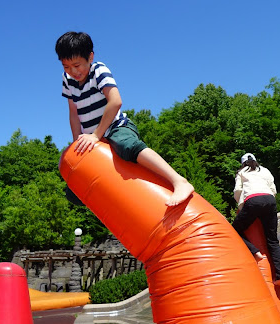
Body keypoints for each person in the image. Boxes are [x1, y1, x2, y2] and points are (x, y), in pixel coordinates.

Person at [55, 31, 194, 207]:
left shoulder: (99, 71)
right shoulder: (67, 80)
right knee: (73, 189)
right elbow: (73, 112)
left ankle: (178, 181)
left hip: (115, 127)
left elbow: (115, 101)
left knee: (125, 144)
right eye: (66, 66)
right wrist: (77, 141)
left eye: (77, 65)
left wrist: (96, 135)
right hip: (93, 137)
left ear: (90, 57)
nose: (73, 71)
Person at [232, 153, 280, 285]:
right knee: (272, 239)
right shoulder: (265, 170)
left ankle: (254, 251)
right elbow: (273, 188)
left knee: (235, 230)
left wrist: (241, 206)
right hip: (269, 199)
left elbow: (238, 190)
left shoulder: (241, 172)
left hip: (253, 200)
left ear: (243, 163)